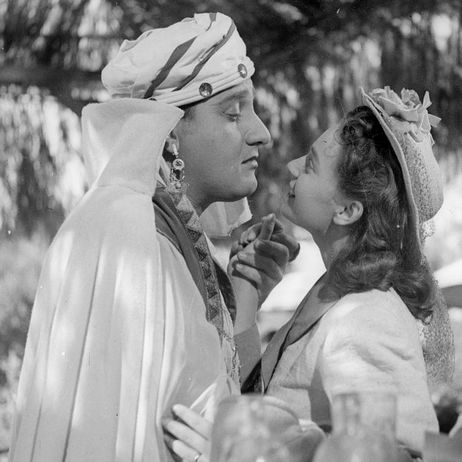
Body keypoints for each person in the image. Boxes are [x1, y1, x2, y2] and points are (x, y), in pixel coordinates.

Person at [9, 13, 299, 462]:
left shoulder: (167, 236)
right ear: (169, 135)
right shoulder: (128, 233)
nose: (261, 133)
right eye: (233, 113)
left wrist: (244, 299)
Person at [165, 86, 455, 460]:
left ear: (347, 211)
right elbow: (264, 403)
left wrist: (242, 453)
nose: (292, 166)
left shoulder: (367, 316)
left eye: (312, 165)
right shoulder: (334, 290)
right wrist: (247, 296)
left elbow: (393, 455)